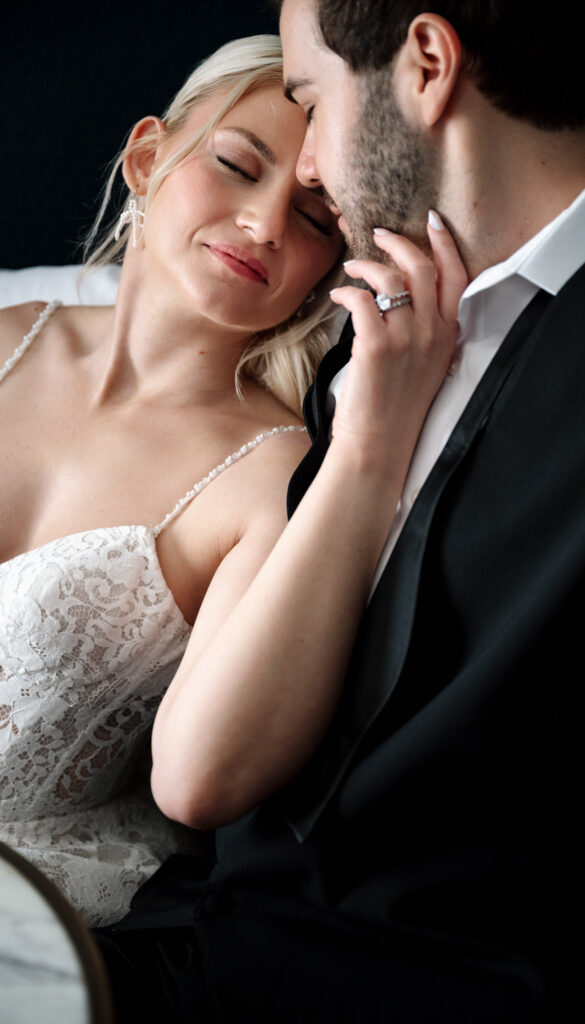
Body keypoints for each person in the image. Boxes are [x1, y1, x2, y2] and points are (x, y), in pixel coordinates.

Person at [96, 1, 585, 1020]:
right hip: (183, 964)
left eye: (311, 102)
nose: (310, 167)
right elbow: (199, 779)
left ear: (425, 63)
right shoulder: (364, 333)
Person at [0, 33, 345, 928]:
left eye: (316, 219)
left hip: (38, 917)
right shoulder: (4, 341)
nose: (265, 223)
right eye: (236, 165)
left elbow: (206, 782)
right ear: (148, 157)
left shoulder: (269, 479)